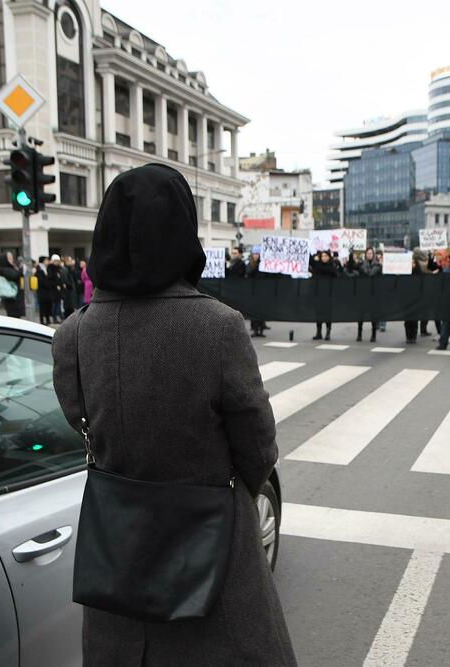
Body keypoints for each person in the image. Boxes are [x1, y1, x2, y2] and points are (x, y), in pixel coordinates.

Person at [51, 164, 295, 666]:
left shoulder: (72, 334)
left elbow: (82, 425)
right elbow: (258, 448)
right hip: (212, 550)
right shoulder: (218, 326)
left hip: (119, 553)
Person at [310, 250, 339, 340]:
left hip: (328, 294)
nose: (324, 258)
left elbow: (336, 276)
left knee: (327, 314)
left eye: (326, 256)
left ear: (329, 257)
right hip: (318, 293)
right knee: (318, 313)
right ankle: (318, 332)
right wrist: (314, 260)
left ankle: (328, 332)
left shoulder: (332, 267)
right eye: (322, 256)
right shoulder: (317, 266)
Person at [356, 247, 381, 343]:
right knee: (360, 315)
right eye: (368, 253)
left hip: (374, 293)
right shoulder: (362, 264)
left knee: (373, 316)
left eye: (371, 253)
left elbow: (370, 273)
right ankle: (359, 334)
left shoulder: (377, 265)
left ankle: (373, 335)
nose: (369, 255)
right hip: (363, 293)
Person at [246, 247, 267, 337]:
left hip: (261, 291)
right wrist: (257, 266)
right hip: (252, 292)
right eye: (254, 254)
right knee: (253, 312)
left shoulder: (263, 264)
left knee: (262, 311)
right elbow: (249, 272)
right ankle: (255, 329)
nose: (255, 256)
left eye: (257, 254)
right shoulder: (250, 264)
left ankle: (261, 329)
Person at [0, 252, 24, 318]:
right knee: (14, 316)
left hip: (14, 296)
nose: (12, 260)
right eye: (10, 258)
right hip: (11, 297)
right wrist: (21, 269)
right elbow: (14, 275)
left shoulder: (11, 267)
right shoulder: (4, 269)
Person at [35, 256, 58, 325]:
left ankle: (48, 319)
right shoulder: (39, 269)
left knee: (48, 305)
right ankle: (42, 321)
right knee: (42, 306)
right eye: (46, 260)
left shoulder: (47, 268)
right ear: (43, 261)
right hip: (42, 291)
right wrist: (48, 284)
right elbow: (41, 281)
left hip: (47, 291)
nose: (48, 261)